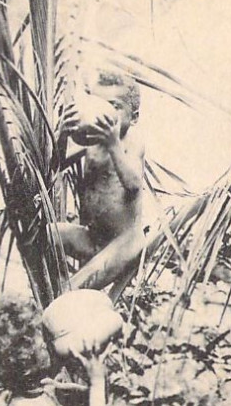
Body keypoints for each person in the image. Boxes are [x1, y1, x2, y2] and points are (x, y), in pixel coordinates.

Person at [58, 70, 158, 292]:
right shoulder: (91, 142)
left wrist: (113, 145)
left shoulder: (131, 142)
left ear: (133, 117)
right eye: (97, 104)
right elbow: (57, 165)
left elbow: (133, 185)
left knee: (70, 292)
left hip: (123, 243)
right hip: (93, 238)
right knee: (44, 233)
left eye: (113, 105)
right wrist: (63, 134)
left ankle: (71, 294)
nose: (102, 112)